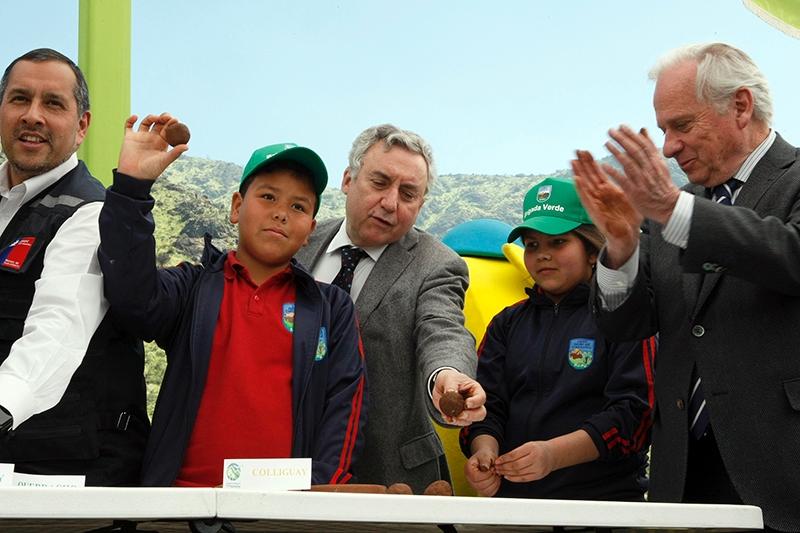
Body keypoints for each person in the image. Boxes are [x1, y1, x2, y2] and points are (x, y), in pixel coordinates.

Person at [571, 42, 800, 531]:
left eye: (682, 125)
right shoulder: (669, 210)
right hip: (682, 479)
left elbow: (789, 256)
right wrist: (620, 244)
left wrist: (675, 212)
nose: (669, 146)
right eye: (662, 131)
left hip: (784, 474)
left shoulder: (784, 182)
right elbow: (624, 324)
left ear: (740, 106)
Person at [98, 115, 366, 487]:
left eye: (299, 207)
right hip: (178, 505)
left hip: (283, 512)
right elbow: (132, 297)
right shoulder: (193, 286)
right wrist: (131, 189)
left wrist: (318, 495)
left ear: (310, 231)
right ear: (237, 206)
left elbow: (345, 407)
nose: (281, 213)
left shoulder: (330, 309)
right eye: (268, 196)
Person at [295, 124, 486, 493]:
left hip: (392, 476)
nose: (390, 202)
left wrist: (447, 376)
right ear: (349, 179)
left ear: (420, 204)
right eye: (379, 182)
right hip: (284, 464)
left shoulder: (437, 264)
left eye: (408, 193)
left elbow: (443, 328)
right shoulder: (299, 240)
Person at [0, 48, 148, 484]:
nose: (33, 116)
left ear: (82, 125)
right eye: (19, 99)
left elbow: (59, 327)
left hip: (72, 474)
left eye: (53, 104)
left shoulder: (92, 213)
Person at [460, 177, 654, 500]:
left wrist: (553, 455)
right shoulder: (506, 324)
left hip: (602, 508)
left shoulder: (624, 315)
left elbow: (635, 416)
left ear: (592, 250)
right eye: (533, 245)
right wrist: (484, 452)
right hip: (513, 510)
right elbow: (486, 405)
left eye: (558, 242)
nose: (543, 255)